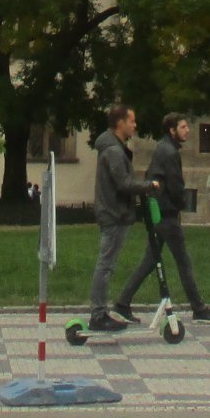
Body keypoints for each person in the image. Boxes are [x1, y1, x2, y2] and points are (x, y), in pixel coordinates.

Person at [116, 114, 210, 324]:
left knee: (149, 260)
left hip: (157, 212)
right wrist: (180, 202)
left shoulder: (162, 148)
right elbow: (175, 185)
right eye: (183, 127)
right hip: (167, 214)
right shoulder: (170, 152)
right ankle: (199, 309)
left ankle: (122, 303)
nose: (187, 130)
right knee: (184, 261)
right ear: (172, 130)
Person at [86, 103, 156, 334]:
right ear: (120, 123)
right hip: (114, 215)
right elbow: (123, 184)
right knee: (105, 265)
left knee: (107, 264)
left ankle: (100, 312)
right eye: (132, 121)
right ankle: (98, 314)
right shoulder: (114, 151)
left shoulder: (114, 147)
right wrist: (149, 186)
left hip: (115, 213)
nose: (135, 125)